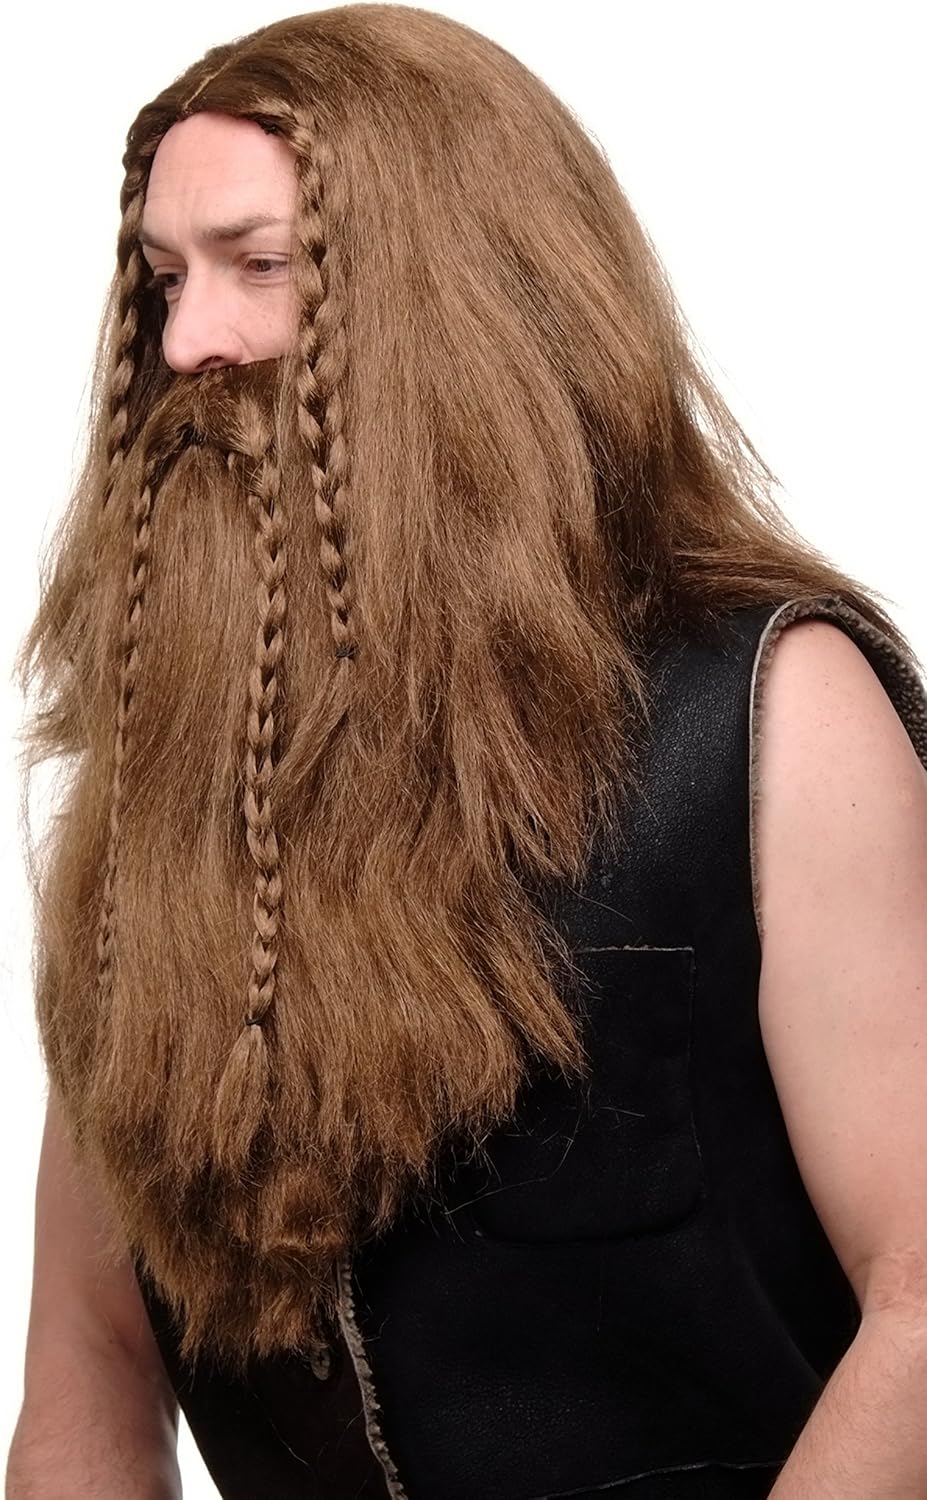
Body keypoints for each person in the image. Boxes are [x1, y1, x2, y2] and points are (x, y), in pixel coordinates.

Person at [6, 6, 927, 1498]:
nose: (187, 342)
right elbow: (88, 1372)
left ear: (455, 302)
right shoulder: (167, 787)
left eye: (260, 265)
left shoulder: (773, 711)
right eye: (166, 279)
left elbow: (923, 1300)